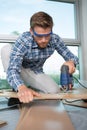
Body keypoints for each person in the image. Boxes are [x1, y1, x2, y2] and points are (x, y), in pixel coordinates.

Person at [1, 11, 79, 103]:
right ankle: (17, 89)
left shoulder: (54, 39)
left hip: (35, 72)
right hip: (19, 69)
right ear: (31, 31)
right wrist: (21, 88)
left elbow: (72, 57)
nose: (44, 40)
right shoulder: (24, 40)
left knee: (55, 92)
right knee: (6, 49)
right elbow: (13, 69)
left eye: (47, 35)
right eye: (39, 36)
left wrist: (71, 62)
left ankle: (30, 88)